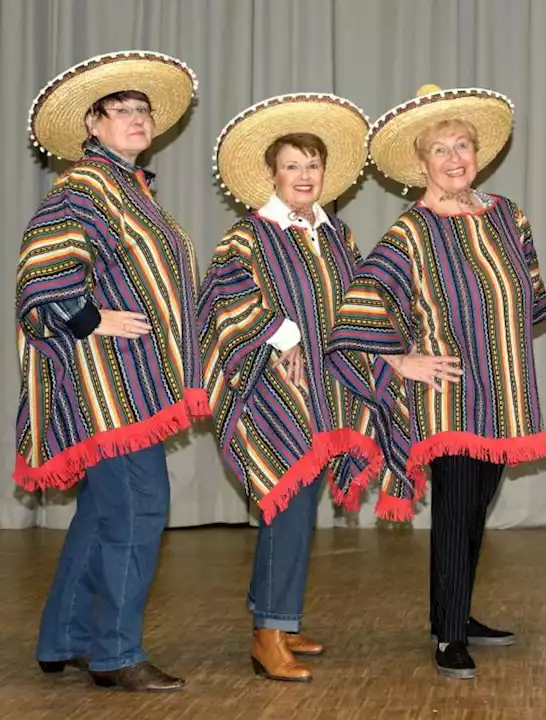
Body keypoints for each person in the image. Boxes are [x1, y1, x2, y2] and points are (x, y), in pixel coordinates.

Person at [327, 84, 546, 680]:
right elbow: (357, 317)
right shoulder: (411, 233)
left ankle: (453, 614)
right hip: (447, 395)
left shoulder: (511, 218)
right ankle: (450, 637)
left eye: (463, 146)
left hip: (503, 394)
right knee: (454, 511)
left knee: (476, 509)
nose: (454, 159)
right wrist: (401, 361)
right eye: (440, 150)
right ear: (420, 163)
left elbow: (529, 307)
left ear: (478, 154)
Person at [17, 51, 204, 692]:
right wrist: (88, 319)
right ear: (92, 126)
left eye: (142, 109)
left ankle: (63, 639)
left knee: (103, 512)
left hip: (135, 380)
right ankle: (116, 654)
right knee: (141, 508)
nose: (137, 117)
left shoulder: (132, 190)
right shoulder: (83, 187)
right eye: (120, 110)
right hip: (107, 385)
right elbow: (41, 271)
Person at [199, 93, 394, 682]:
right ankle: (267, 636)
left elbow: (352, 304)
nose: (304, 176)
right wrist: (281, 335)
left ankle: (277, 619)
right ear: (272, 174)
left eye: (313, 165)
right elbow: (222, 299)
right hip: (270, 390)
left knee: (297, 505)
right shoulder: (247, 235)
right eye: (292, 166)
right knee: (285, 501)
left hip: (322, 391)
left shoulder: (338, 236)